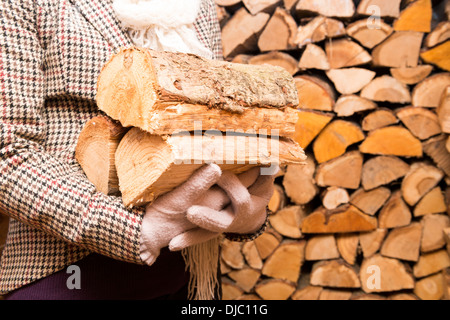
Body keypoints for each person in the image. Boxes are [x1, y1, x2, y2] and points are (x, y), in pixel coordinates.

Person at [0, 0, 275, 300]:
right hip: (67, 272)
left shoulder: (200, 4)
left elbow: (214, 122)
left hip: (191, 272)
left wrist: (245, 210)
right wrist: (138, 228)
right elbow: (8, 153)